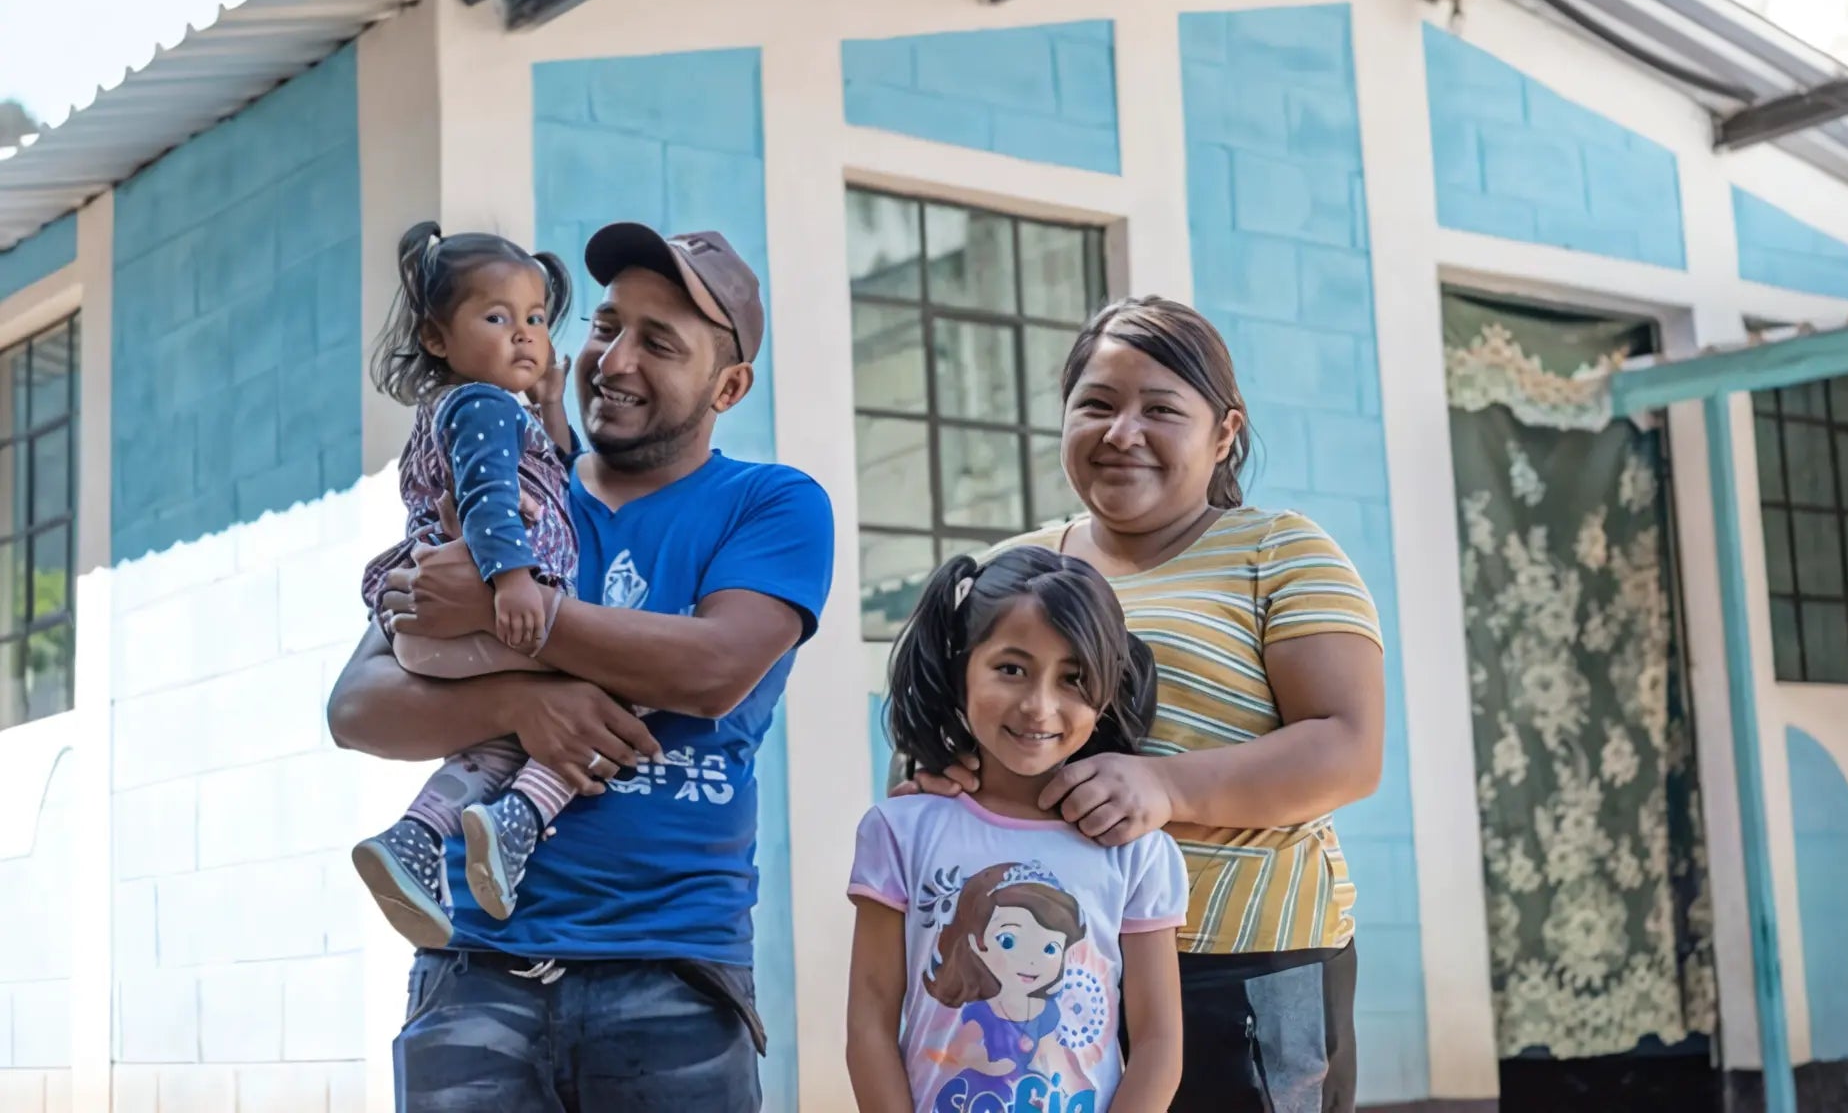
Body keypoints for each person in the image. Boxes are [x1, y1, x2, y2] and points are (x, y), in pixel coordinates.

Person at [327, 223, 833, 1113]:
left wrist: (506, 612)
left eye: (659, 342)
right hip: (474, 971)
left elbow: (714, 667)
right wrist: (526, 704)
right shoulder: (508, 487)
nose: (614, 359)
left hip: (671, 975)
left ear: (730, 384)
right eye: (605, 327)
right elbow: (360, 706)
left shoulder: (772, 503)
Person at [898, 297, 1386, 1113]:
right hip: (1045, 968)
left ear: (1224, 432)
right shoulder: (1011, 571)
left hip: (1240, 971)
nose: (1123, 432)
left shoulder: (1281, 552)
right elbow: (937, 733)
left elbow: (1349, 746)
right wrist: (936, 775)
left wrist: (1165, 789)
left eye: (1161, 409)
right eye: (1096, 405)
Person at [352, 221, 619, 948]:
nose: (526, 335)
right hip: (478, 613)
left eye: (535, 318)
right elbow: (489, 496)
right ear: (438, 339)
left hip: (444, 629)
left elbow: (554, 474)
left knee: (509, 733)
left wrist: (555, 405)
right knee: (625, 683)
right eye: (497, 318)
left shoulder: (492, 409)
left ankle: (417, 836)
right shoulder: (480, 406)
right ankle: (522, 816)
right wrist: (512, 583)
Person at [847, 547, 1185, 1113]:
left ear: (1106, 693)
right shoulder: (899, 832)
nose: (1039, 706)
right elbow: (870, 1019)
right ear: (961, 672)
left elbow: (1158, 1040)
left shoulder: (1137, 852)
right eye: (1011, 668)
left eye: (1074, 678)